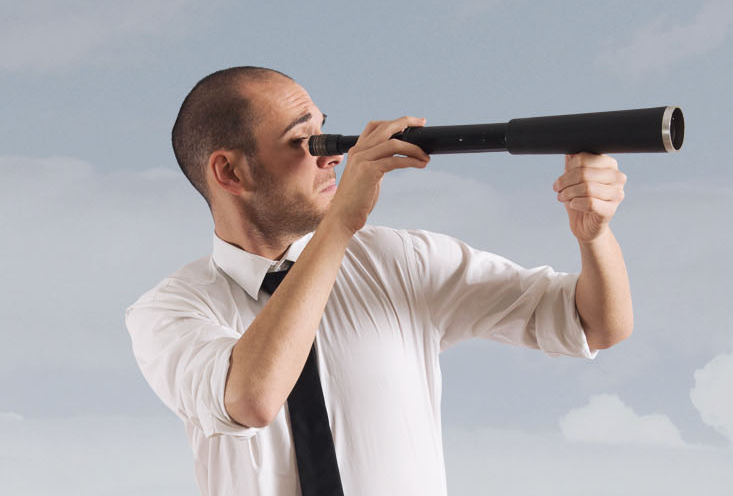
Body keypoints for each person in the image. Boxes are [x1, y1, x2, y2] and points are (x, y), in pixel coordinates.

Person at [124, 66, 633, 495]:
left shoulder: (401, 260)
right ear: (230, 173)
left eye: (326, 132)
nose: (333, 156)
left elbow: (594, 326)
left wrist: (594, 236)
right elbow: (251, 399)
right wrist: (341, 222)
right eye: (304, 141)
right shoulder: (169, 312)